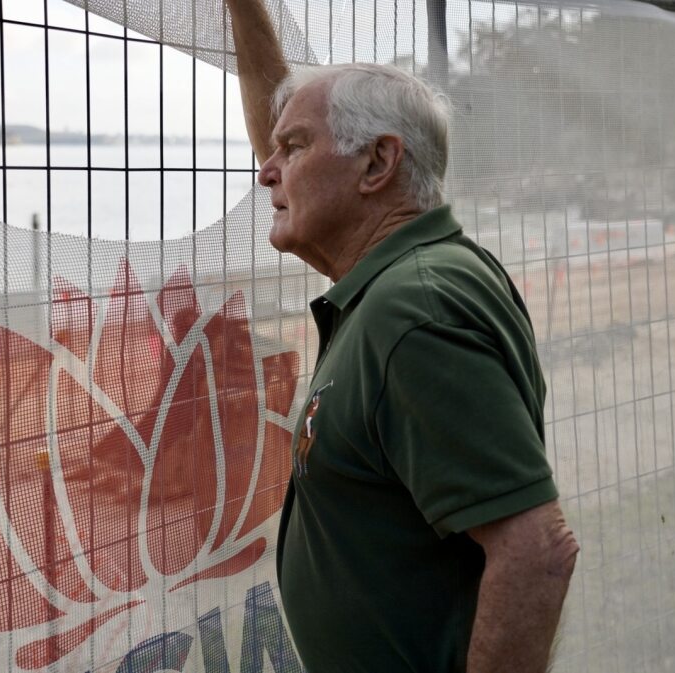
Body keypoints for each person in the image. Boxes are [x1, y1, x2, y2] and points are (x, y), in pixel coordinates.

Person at [222, 1, 579, 671]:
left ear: (376, 164)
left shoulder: (413, 312)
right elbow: (284, 153)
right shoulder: (405, 273)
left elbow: (536, 551)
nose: (267, 171)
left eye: (293, 149)